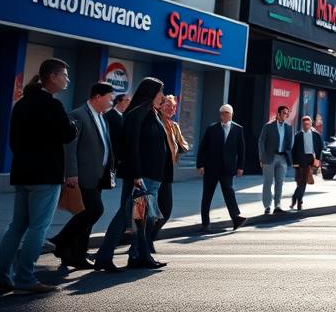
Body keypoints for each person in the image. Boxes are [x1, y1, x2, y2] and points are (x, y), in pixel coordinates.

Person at [0, 59, 76, 294]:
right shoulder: (52, 105)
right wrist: (72, 125)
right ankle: (25, 278)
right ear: (52, 76)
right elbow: (68, 134)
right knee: (38, 227)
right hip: (45, 175)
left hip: (22, 173)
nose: (67, 79)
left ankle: (1, 275)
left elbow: (12, 141)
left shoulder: (21, 104)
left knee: (17, 225)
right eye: (64, 75)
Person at [95, 77, 167, 271]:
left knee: (141, 220)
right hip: (141, 177)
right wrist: (136, 174)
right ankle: (104, 256)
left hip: (152, 176)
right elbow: (131, 146)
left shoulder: (152, 113)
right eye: (160, 92)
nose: (163, 96)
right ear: (151, 92)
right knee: (126, 216)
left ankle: (139, 256)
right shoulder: (138, 113)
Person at [50, 81, 116, 271]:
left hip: (98, 175)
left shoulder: (102, 116)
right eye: (109, 97)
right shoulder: (78, 115)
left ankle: (74, 256)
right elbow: (70, 148)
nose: (112, 101)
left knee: (86, 216)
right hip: (83, 175)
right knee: (94, 210)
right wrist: (71, 173)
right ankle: (60, 241)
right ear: (97, 97)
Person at [196, 104, 248, 232]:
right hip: (211, 167)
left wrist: (240, 166)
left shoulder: (238, 129)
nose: (224, 115)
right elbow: (203, 148)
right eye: (223, 113)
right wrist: (200, 165)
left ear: (231, 115)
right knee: (207, 195)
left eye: (227, 113)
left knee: (229, 192)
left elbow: (241, 150)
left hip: (228, 168)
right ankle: (205, 223)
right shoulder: (212, 128)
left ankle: (236, 218)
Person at [152, 94, 188, 249]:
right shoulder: (156, 121)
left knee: (166, 210)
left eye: (173, 106)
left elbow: (183, 144)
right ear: (160, 105)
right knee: (149, 212)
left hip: (167, 172)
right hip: (153, 173)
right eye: (167, 105)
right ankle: (143, 243)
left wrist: (180, 146)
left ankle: (149, 238)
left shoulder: (174, 125)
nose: (171, 109)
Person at [258, 106, 295, 215]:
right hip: (269, 157)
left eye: (287, 113)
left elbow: (290, 143)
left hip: (282, 157)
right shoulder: (268, 126)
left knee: (280, 182)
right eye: (284, 113)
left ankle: (277, 205)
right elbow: (261, 142)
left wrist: (288, 155)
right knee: (267, 182)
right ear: (278, 114)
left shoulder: (289, 127)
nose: (286, 115)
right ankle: (267, 206)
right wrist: (262, 157)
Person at [291, 115, 325, 211]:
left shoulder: (316, 135)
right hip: (300, 160)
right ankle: (296, 198)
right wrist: (294, 163)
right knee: (300, 181)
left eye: (308, 124)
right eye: (304, 124)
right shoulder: (298, 136)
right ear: (302, 125)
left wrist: (318, 159)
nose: (306, 126)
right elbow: (294, 150)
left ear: (311, 124)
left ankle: (298, 200)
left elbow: (320, 147)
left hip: (310, 159)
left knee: (304, 181)